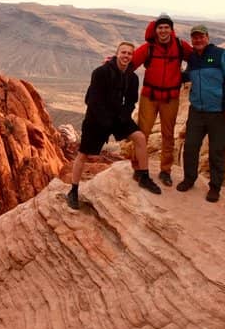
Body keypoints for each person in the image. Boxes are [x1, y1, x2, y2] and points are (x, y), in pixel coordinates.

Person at [67, 41, 161, 209]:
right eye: (123, 52)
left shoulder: (132, 77)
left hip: (118, 117)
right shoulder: (101, 72)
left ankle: (144, 177)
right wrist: (105, 122)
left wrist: (124, 116)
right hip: (96, 118)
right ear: (117, 54)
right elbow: (93, 100)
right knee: (83, 154)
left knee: (139, 137)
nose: (126, 56)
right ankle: (73, 190)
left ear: (132, 57)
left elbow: (131, 100)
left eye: (129, 54)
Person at [177, 24, 225, 202]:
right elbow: (188, 76)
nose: (198, 40)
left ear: (207, 37)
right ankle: (189, 179)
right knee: (190, 147)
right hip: (197, 111)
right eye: (195, 37)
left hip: (220, 113)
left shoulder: (222, 55)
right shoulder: (193, 58)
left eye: (201, 37)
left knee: (216, 151)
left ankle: (215, 187)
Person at [130, 12, 192, 187]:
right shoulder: (148, 47)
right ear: (156, 30)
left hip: (170, 98)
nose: (163, 30)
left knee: (168, 135)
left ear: (171, 30)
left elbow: (196, 58)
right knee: (142, 134)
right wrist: (112, 63)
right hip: (149, 97)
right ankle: (138, 168)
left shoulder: (180, 45)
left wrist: (187, 74)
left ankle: (165, 171)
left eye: (166, 27)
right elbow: (131, 63)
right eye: (160, 28)